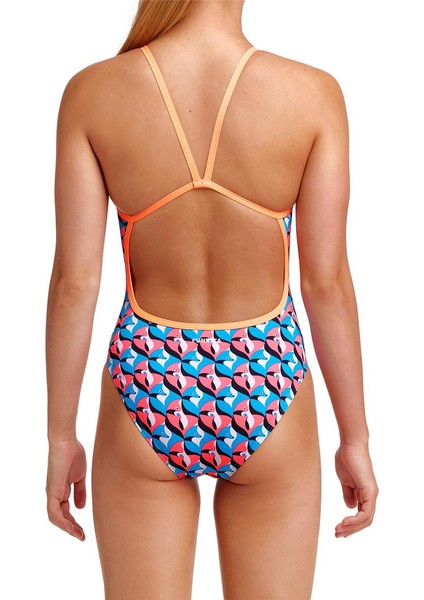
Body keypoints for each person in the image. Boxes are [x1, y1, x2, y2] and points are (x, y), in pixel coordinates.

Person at [45, 0, 379, 598]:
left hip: (145, 379)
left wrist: (60, 437)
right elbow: (325, 284)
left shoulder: (92, 92)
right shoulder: (312, 95)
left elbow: (75, 283)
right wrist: (355, 439)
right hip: (267, 379)